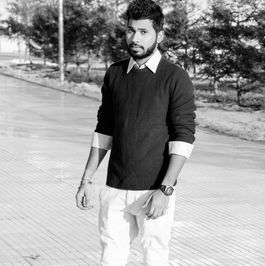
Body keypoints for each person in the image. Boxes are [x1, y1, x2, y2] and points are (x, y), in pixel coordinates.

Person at [75, 0, 196, 265]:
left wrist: (165, 189)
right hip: (115, 188)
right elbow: (104, 128)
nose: (135, 38)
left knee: (154, 257)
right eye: (131, 30)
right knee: (110, 257)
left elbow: (183, 137)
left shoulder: (175, 78)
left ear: (159, 35)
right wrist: (86, 179)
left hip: (153, 191)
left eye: (143, 32)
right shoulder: (115, 73)